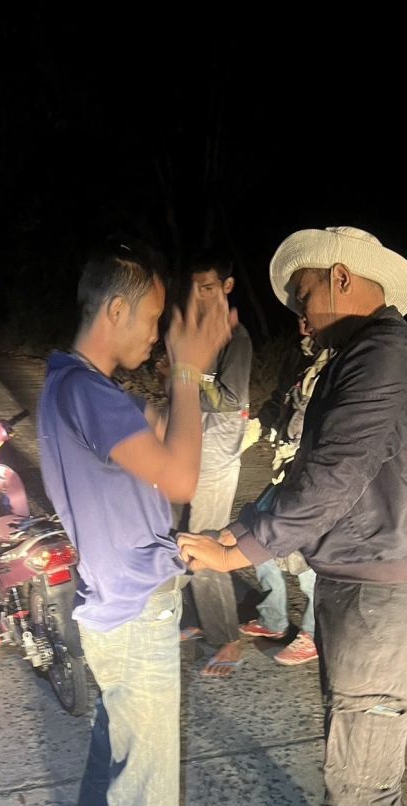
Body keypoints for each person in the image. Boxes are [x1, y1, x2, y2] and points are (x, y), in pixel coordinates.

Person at [177, 226, 407, 806]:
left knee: (368, 789)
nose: (297, 316)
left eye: (302, 296)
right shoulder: (356, 356)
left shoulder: (384, 355)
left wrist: (241, 550)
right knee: (346, 744)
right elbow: (306, 470)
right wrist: (237, 533)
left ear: (340, 277)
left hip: (384, 600)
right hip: (354, 587)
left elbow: (333, 477)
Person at [37, 238, 232, 806]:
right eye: (151, 319)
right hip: (134, 615)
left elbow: (142, 457)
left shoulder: (67, 383)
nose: (155, 333)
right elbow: (181, 477)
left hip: (108, 606)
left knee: (110, 753)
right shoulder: (91, 393)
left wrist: (161, 403)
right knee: (148, 802)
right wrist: (188, 371)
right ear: (115, 309)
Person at [160, 248, 252, 678]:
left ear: (227, 286)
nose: (199, 295)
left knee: (205, 541)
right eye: (194, 288)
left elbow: (230, 399)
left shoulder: (236, 338)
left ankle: (227, 638)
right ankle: (196, 617)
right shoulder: (189, 331)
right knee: (176, 530)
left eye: (209, 287)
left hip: (215, 453)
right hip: (184, 448)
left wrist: (190, 374)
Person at [238, 322, 332, 666]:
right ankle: (274, 618)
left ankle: (314, 633)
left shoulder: (344, 361)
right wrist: (249, 433)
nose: (302, 321)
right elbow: (279, 402)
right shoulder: (301, 357)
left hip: (314, 475)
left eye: (307, 306)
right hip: (287, 470)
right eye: (299, 310)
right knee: (254, 532)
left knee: (307, 557)